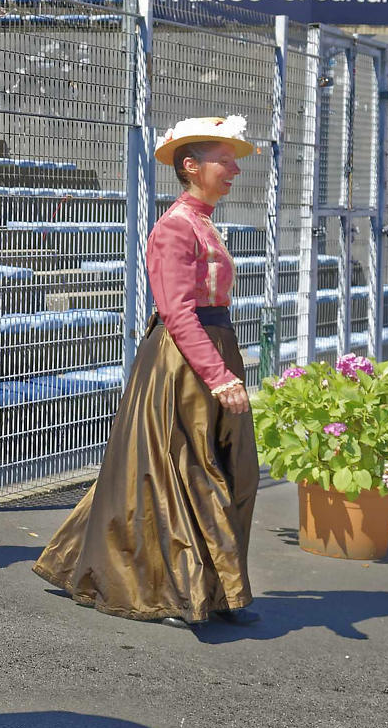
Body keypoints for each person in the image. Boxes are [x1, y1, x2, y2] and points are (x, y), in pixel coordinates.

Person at [32, 115, 260, 629]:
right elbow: (177, 312)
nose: (233, 171)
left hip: (212, 346)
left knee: (229, 467)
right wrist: (218, 376)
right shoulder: (175, 228)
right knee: (180, 472)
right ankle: (175, 591)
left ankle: (216, 588)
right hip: (181, 361)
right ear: (191, 165)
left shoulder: (202, 222)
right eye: (224, 160)